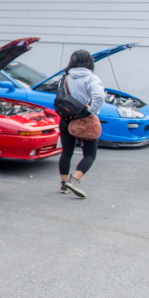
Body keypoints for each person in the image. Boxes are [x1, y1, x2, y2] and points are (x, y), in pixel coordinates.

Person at [58, 50, 105, 198]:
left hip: (66, 118)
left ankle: (64, 185)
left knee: (66, 152)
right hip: (84, 120)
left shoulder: (65, 77)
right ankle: (75, 180)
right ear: (90, 62)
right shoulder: (91, 78)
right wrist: (91, 111)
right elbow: (99, 96)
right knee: (90, 154)